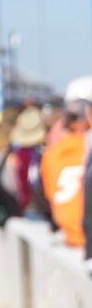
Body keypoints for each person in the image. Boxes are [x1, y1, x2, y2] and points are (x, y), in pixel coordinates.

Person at [41, 104, 89, 249]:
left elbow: (49, 194)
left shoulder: (50, 155)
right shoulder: (86, 148)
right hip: (86, 232)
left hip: (68, 230)